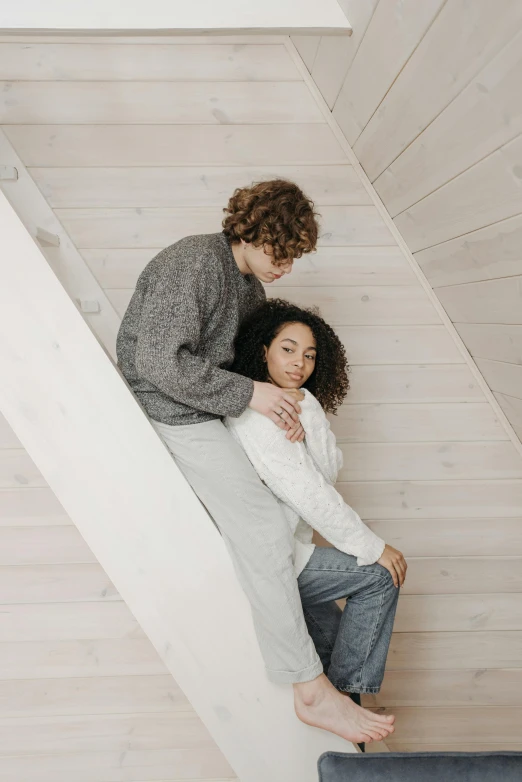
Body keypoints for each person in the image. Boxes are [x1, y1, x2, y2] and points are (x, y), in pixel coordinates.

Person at [116, 178, 397, 745]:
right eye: (282, 252)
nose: (287, 267)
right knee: (267, 529)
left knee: (283, 518)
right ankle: (310, 689)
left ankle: (340, 684)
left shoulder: (250, 291)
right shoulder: (193, 262)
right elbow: (156, 362)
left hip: (208, 405)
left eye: (294, 256)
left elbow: (249, 368)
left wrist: (286, 410)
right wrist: (251, 397)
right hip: (171, 407)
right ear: (251, 231)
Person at [225, 298, 408, 747]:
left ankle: (344, 717)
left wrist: (309, 416)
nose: (299, 363)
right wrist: (372, 547)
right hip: (276, 557)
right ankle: (343, 701)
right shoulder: (256, 412)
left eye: (309, 355)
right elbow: (311, 496)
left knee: (327, 647)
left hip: (292, 548)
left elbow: (326, 472)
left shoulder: (298, 403)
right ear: (263, 349)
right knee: (380, 577)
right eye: (288, 349)